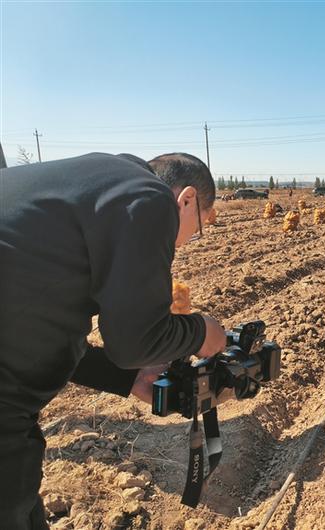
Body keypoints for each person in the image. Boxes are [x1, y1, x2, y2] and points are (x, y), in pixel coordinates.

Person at [0, 152, 227, 530]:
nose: (186, 243)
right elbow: (135, 342)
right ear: (186, 200)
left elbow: (45, 330)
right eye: (198, 227)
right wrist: (203, 332)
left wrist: (128, 378)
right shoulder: (149, 197)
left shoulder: (95, 188)